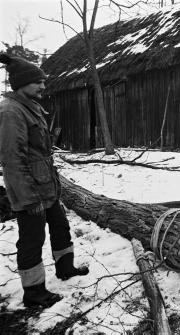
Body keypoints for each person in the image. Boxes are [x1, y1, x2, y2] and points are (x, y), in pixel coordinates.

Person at [0, 54, 89, 308]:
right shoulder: (11, 111)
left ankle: (65, 269)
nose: (43, 86)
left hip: (46, 187)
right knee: (31, 240)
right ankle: (35, 293)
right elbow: (12, 160)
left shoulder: (31, 106)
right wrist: (29, 199)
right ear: (21, 83)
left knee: (60, 227)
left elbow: (39, 152)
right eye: (37, 82)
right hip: (30, 192)